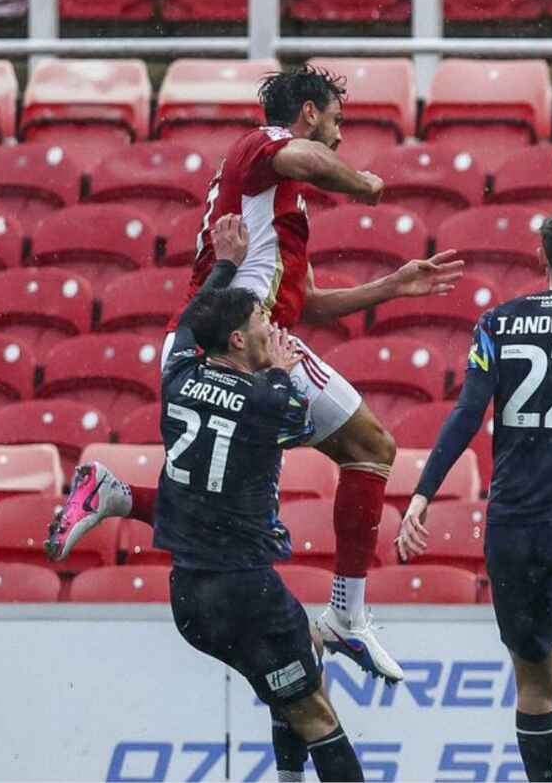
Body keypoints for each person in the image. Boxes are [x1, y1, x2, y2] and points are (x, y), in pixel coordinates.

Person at [48, 65, 464, 683]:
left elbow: (309, 301)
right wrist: (365, 186)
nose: (340, 137)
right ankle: (347, 616)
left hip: (214, 345)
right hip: (236, 348)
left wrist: (394, 287)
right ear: (308, 114)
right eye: (337, 121)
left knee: (226, 506)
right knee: (370, 448)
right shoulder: (260, 146)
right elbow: (311, 160)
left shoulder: (273, 203)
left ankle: (116, 494)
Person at [394, 209, 552, 783]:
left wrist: (423, 493)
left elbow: (466, 414)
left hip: (511, 526)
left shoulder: (498, 325)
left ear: (541, 257)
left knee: (534, 686)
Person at [154, 213, 364, 782]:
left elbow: (190, 321)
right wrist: (285, 371)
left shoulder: (176, 374)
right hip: (246, 589)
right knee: (316, 711)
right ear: (239, 341)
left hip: (188, 596)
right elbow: (304, 421)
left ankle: (120, 496)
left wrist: (224, 265)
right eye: (261, 323)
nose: (272, 328)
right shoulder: (269, 399)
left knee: (294, 679)